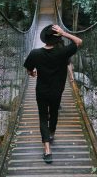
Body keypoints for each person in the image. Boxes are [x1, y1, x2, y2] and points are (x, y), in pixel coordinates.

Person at [24, 24, 82, 164]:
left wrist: (33, 73)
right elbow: (79, 41)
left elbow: (30, 71)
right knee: (54, 112)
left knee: (43, 117)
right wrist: (64, 33)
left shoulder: (35, 53)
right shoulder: (63, 52)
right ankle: (51, 134)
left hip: (42, 91)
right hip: (57, 91)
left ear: (44, 39)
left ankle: (47, 150)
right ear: (57, 39)